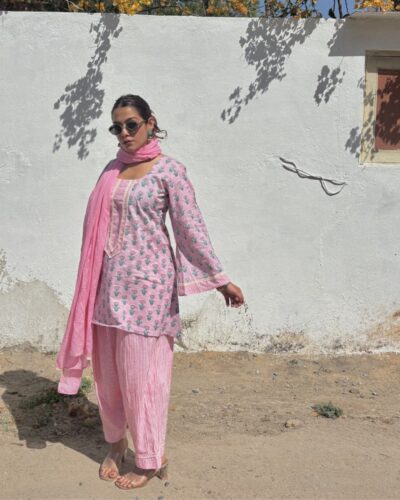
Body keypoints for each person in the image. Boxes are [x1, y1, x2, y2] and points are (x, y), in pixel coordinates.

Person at [56, 94, 244, 490]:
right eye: (117, 127)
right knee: (109, 378)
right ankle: (116, 444)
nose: (124, 133)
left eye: (131, 124)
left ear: (150, 123)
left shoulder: (169, 171)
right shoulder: (112, 170)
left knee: (144, 379)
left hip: (149, 291)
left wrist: (219, 279)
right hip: (106, 288)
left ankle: (149, 458)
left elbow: (190, 227)